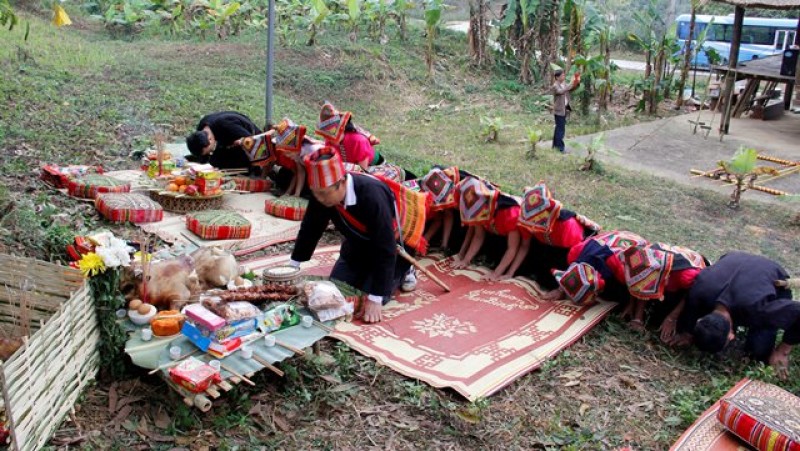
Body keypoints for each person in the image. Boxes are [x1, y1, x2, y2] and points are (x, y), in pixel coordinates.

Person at [288, 147, 416, 323]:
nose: (321, 200)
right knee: (335, 290)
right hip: (356, 246)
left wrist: (376, 298)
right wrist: (292, 266)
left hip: (387, 249)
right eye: (316, 194)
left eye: (324, 194)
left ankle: (405, 270)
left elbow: (385, 246)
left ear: (341, 182)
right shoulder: (322, 193)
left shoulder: (372, 195)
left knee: (370, 296)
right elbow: (311, 227)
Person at [672, 251, 799, 379]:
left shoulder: (759, 310)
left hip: (773, 275)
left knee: (759, 351)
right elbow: (690, 305)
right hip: (735, 258)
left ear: (731, 335)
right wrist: (687, 332)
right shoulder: (699, 292)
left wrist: (783, 351)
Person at [504, 182, 601, 280]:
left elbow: (578, 258)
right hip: (546, 246)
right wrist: (510, 273)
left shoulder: (567, 226)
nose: (531, 228)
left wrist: (560, 289)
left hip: (569, 253)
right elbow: (524, 246)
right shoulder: (526, 221)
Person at [618, 243, 708, 333]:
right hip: (665, 270)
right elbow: (640, 284)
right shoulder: (644, 260)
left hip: (687, 280)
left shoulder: (687, 276)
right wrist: (636, 315)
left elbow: (691, 293)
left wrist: (672, 318)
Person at [541, 230, 648, 305]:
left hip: (635, 243)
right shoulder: (574, 253)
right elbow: (574, 273)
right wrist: (560, 289)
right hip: (610, 242)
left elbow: (639, 281)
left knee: (618, 297)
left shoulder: (621, 269)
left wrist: (633, 307)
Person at [452, 176, 522, 282]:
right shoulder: (476, 206)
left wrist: (496, 273)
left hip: (517, 247)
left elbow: (513, 248)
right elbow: (478, 236)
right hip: (498, 237)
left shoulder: (511, 213)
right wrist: (465, 260)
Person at [186, 111, 263, 170]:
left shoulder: (226, 125)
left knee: (218, 164)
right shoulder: (202, 125)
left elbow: (251, 140)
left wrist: (239, 142)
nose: (209, 152)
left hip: (251, 142)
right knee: (211, 161)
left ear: (210, 139)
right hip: (227, 142)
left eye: (208, 151)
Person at [316, 102, 382, 170]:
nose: (327, 139)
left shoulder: (358, 141)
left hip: (372, 164)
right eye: (325, 135)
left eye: (330, 135)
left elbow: (363, 170)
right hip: (351, 166)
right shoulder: (329, 141)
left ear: (342, 129)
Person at [272, 118, 325, 197]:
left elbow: (321, 175)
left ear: (294, 148)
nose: (287, 156)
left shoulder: (311, 151)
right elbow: (301, 172)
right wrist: (296, 194)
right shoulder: (298, 154)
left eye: (287, 153)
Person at [551, 69, 581, 153]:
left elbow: (570, 89)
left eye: (564, 75)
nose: (564, 76)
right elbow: (560, 91)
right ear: (557, 77)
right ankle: (560, 148)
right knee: (560, 129)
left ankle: (555, 146)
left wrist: (576, 82)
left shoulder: (563, 84)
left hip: (564, 109)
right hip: (559, 110)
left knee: (559, 129)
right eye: (562, 75)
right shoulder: (555, 86)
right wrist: (570, 84)